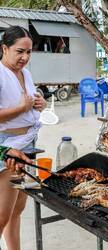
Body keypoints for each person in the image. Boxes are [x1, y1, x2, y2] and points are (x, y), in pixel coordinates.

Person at [0, 26, 46, 250]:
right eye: (20, 51)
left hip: (28, 144)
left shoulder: (26, 73)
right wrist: (21, 108)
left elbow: (31, 101)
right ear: (4, 48)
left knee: (17, 210)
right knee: (1, 215)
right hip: (7, 147)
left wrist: (40, 104)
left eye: (29, 52)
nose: (25, 57)